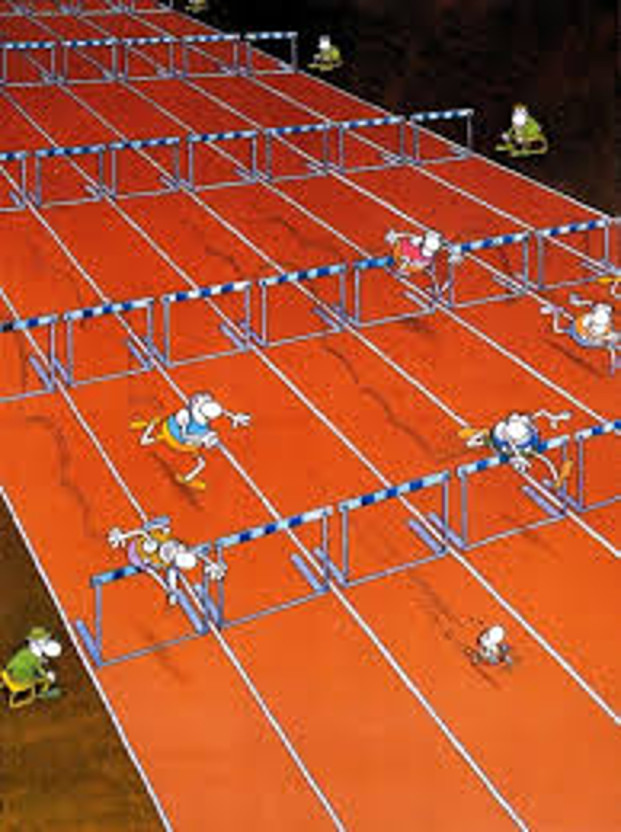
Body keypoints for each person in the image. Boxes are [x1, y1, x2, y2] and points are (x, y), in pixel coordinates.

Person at [131, 391, 251, 489]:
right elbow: (185, 436)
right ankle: (186, 478)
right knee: (201, 463)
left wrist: (233, 416)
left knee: (162, 421)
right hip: (176, 439)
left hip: (169, 426)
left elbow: (218, 410)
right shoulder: (201, 428)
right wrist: (203, 439)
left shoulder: (195, 406)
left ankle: (150, 430)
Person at [107, 517, 224, 605]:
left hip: (139, 556)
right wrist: (122, 536)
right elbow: (142, 533)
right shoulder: (169, 544)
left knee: (152, 566)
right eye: (177, 549)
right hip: (142, 548)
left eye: (172, 554)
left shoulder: (162, 560)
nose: (174, 550)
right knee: (160, 529)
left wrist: (172, 591)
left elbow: (169, 578)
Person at [458, 409, 573, 490]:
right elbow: (511, 445)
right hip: (507, 442)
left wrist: (554, 417)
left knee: (538, 456)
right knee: (510, 452)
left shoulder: (523, 423)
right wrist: (518, 457)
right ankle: (479, 437)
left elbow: (541, 413)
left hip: (519, 442)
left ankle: (480, 436)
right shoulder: (507, 431)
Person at [541, 295, 618, 374]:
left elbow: (584, 328)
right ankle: (563, 308)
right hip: (583, 337)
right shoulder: (601, 324)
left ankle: (556, 312)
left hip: (581, 336)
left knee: (558, 330)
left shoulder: (595, 321)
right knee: (610, 346)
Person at [3, 627, 63, 702]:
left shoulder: (23, 652)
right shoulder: (36, 660)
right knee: (50, 677)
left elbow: (11, 664)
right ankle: (43, 693)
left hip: (7, 674)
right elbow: (41, 671)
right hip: (21, 682)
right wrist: (48, 676)